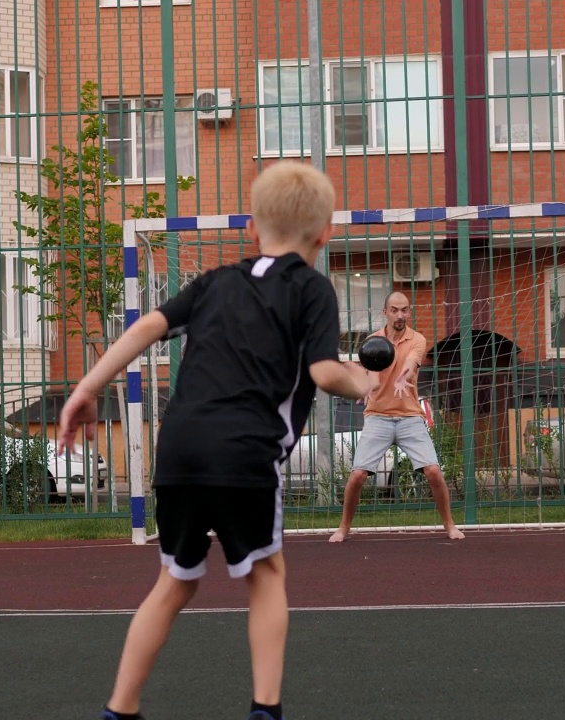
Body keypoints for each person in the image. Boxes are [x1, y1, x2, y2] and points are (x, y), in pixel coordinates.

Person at [56, 161, 379, 720]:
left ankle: (120, 709)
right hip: (245, 452)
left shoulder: (214, 282)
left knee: (173, 583)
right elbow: (326, 373)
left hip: (178, 449)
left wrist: (86, 388)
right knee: (266, 574)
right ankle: (264, 709)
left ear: (252, 229)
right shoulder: (312, 289)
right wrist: (365, 383)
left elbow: (143, 328)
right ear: (324, 234)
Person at [328, 291, 465, 543]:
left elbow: (411, 362)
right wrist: (367, 386)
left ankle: (449, 525)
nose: (400, 315)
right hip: (378, 416)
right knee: (358, 475)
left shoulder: (418, 339)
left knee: (434, 471)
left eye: (404, 310)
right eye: (394, 310)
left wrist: (405, 374)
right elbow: (373, 377)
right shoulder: (372, 342)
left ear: (409, 312)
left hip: (409, 418)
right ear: (385, 312)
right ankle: (344, 527)